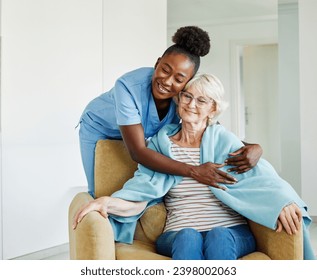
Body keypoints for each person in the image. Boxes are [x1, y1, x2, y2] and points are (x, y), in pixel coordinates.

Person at [73, 73, 315, 260]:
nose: (191, 104)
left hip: (231, 231)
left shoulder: (223, 140)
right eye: (187, 96)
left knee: (219, 235)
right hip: (177, 233)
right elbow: (142, 188)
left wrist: (284, 201)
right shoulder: (161, 144)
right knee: (188, 236)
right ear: (179, 99)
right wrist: (106, 201)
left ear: (213, 108)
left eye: (202, 100)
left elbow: (262, 177)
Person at [78, 26, 263, 198]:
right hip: (99, 128)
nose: (167, 81)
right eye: (165, 70)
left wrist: (253, 146)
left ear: (187, 83)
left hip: (137, 136)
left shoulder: (184, 97)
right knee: (100, 190)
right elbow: (138, 152)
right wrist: (193, 170)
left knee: (138, 187)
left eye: (179, 78)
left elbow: (208, 128)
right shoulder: (127, 87)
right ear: (157, 63)